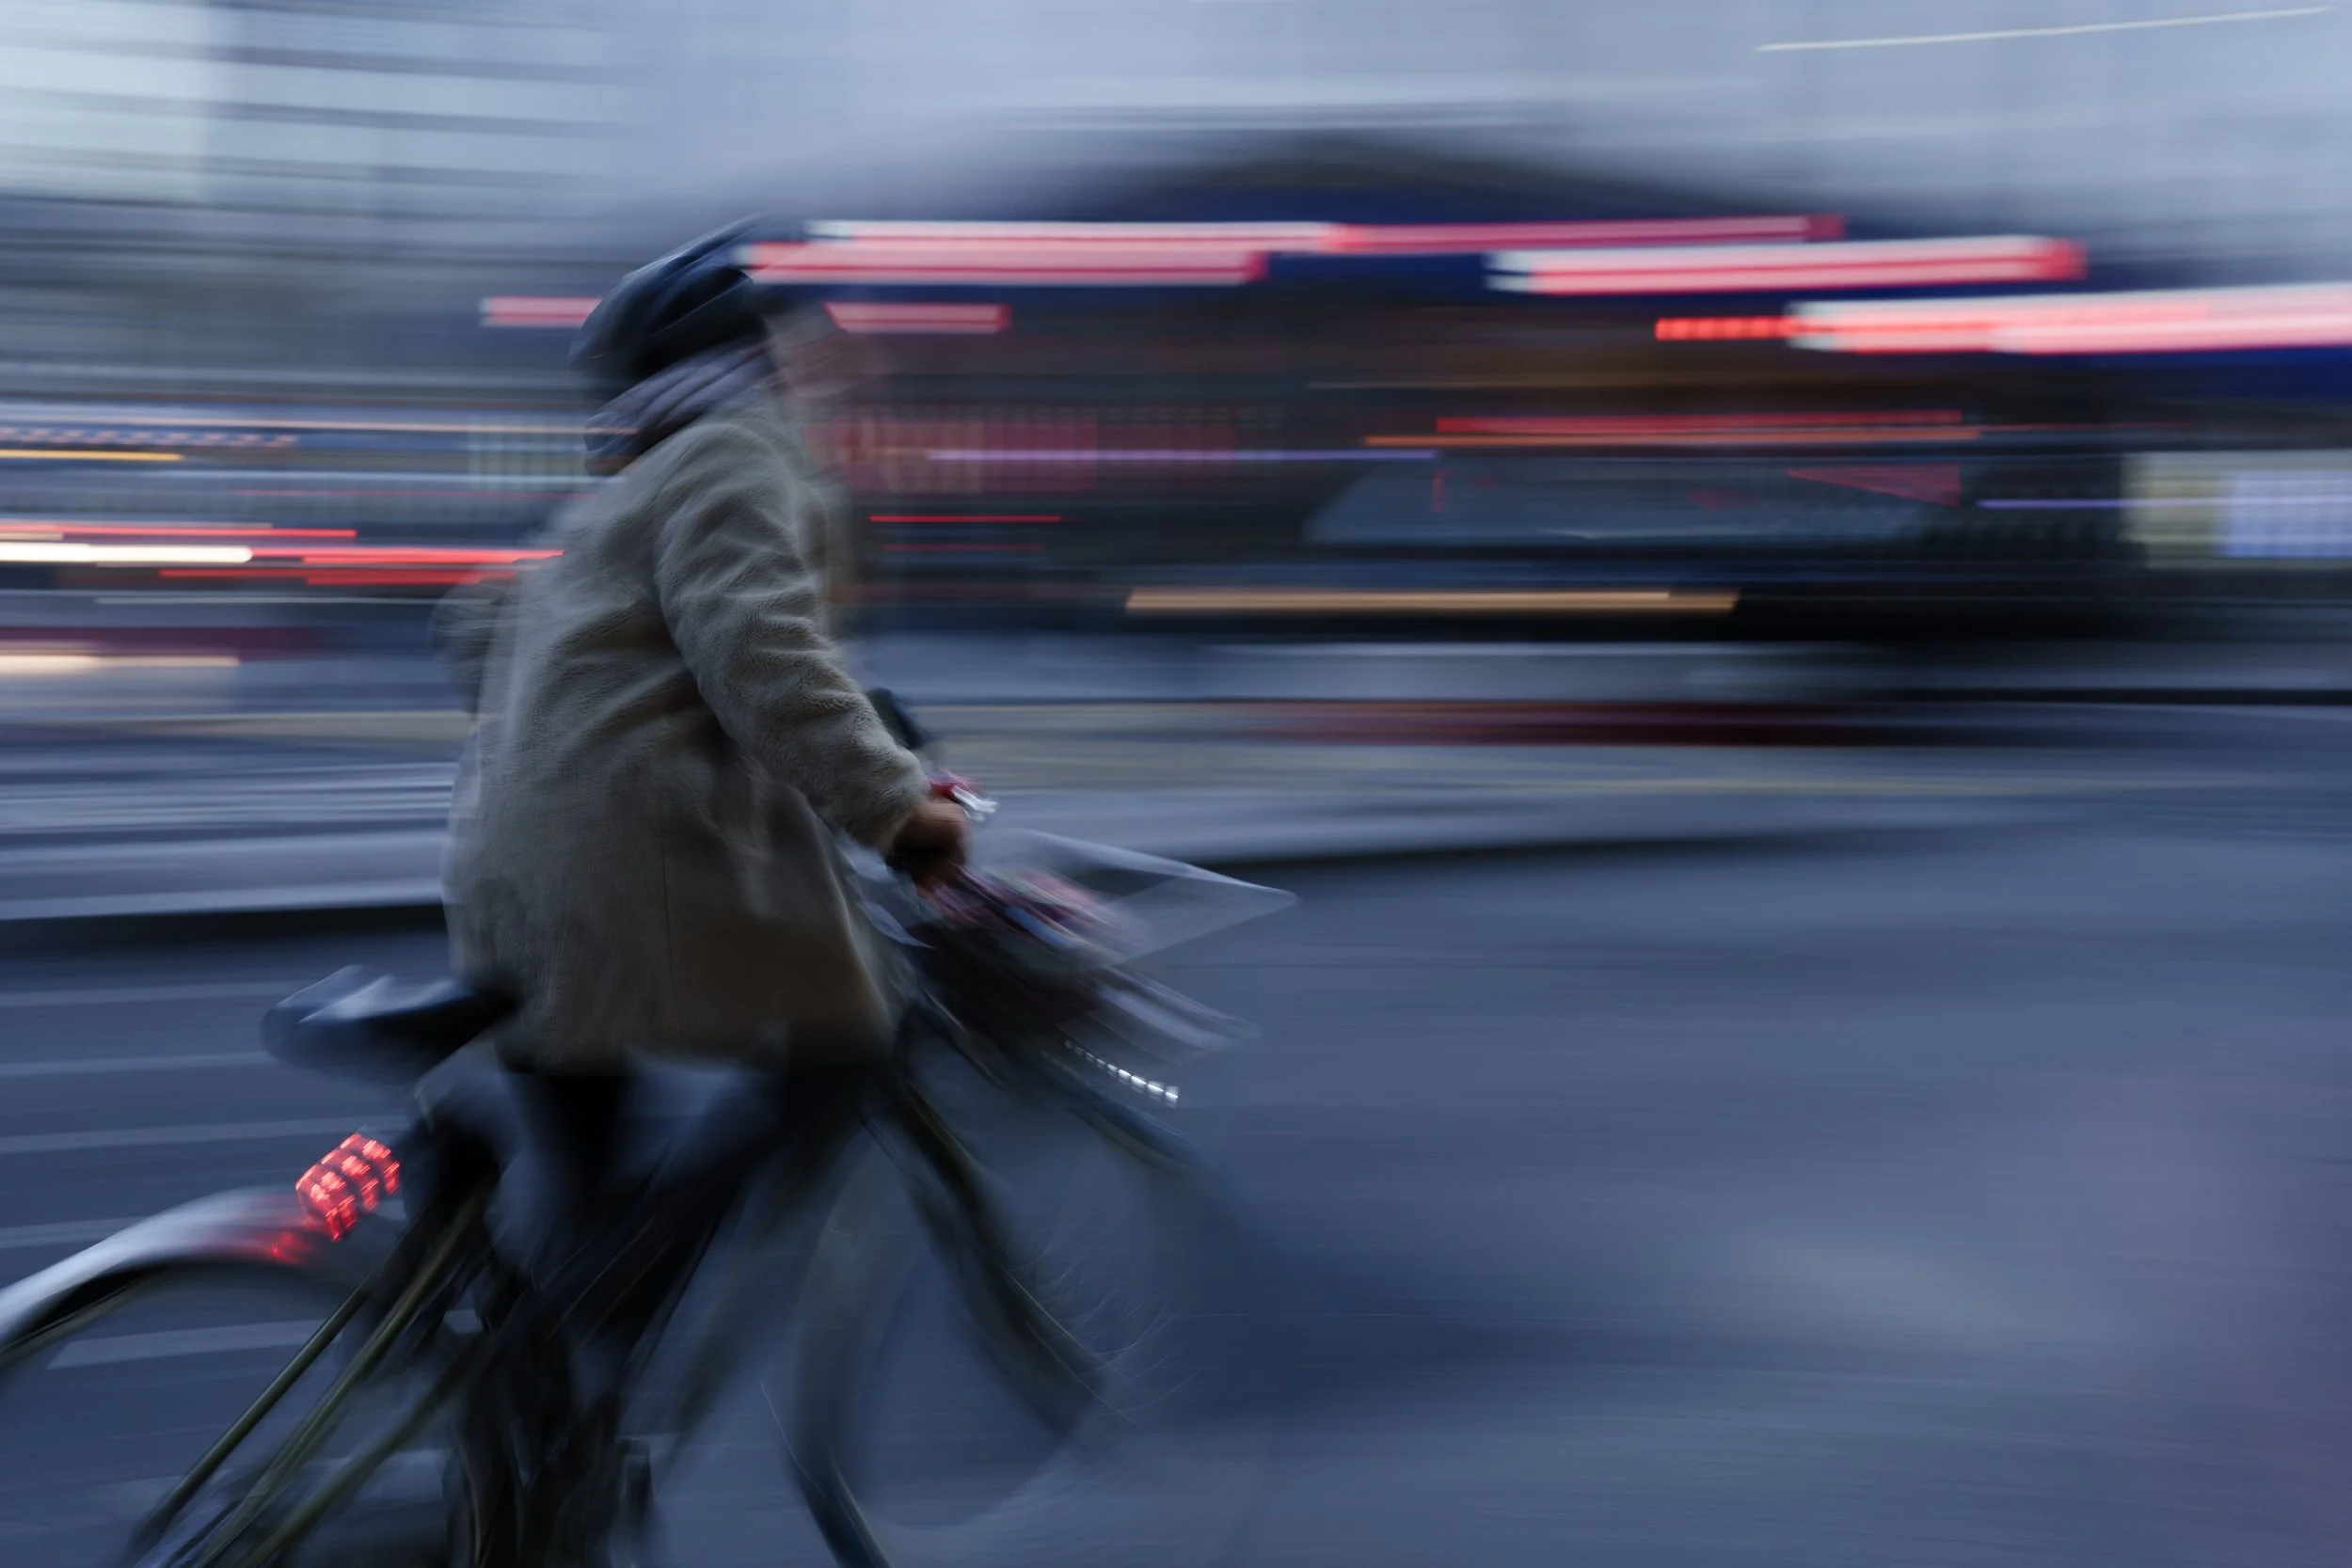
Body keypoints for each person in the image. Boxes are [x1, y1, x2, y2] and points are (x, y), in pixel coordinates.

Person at [430, 225, 970, 1560]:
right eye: (781, 354)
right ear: (734, 366)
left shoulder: (613, 493)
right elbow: (759, 648)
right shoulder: (735, 454)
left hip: (515, 885)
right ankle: (576, 1366)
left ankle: (535, 1473)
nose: (804, 381)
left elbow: (489, 630)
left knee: (589, 1202)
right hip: (625, 884)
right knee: (846, 1046)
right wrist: (898, 809)